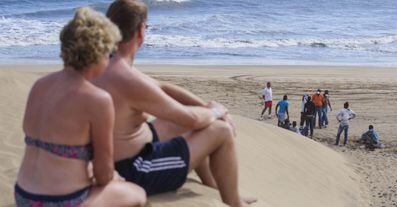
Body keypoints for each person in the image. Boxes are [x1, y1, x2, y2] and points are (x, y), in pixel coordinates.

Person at [93, 1, 256, 206]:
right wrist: (217, 111)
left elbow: (162, 87)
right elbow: (193, 119)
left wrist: (205, 106)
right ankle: (235, 202)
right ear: (141, 32)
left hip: (118, 155)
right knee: (220, 131)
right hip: (134, 170)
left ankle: (213, 184)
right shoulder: (126, 78)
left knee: (193, 121)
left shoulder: (104, 63)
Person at [15, 7, 146, 207]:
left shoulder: (39, 86)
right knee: (137, 194)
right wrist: (111, 178)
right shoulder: (97, 99)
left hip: (24, 195)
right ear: (99, 53)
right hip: (61, 201)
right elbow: (104, 174)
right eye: (109, 52)